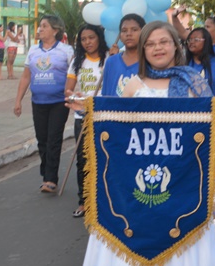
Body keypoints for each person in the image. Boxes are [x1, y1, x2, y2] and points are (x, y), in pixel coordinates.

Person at [71, 21, 215, 266]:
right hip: (137, 183)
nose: (158, 48)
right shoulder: (133, 86)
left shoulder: (193, 81)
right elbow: (114, 124)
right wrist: (88, 108)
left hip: (182, 180)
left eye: (164, 42)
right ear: (144, 51)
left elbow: (211, 124)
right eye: (151, 44)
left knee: (182, 231)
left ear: (176, 47)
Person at [14, 15, 74, 193]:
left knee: (54, 139)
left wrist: (71, 95)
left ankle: (50, 179)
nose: (39, 29)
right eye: (40, 26)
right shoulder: (33, 50)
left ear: (55, 30)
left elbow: (74, 74)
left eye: (44, 26)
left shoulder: (66, 50)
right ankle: (46, 172)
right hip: (38, 101)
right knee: (42, 140)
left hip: (58, 102)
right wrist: (18, 100)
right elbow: (26, 76)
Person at [65, 24, 108, 218]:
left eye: (91, 37)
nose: (87, 42)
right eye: (83, 39)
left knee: (105, 159)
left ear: (99, 37)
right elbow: (68, 90)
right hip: (82, 117)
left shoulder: (111, 59)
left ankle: (104, 200)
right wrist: (76, 97)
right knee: (83, 160)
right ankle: (83, 201)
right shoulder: (77, 62)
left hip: (105, 116)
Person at [101, 14, 145, 97]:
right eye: (124, 30)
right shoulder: (111, 61)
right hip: (113, 109)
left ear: (143, 33)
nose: (128, 34)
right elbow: (106, 94)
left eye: (134, 30)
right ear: (120, 36)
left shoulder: (149, 62)